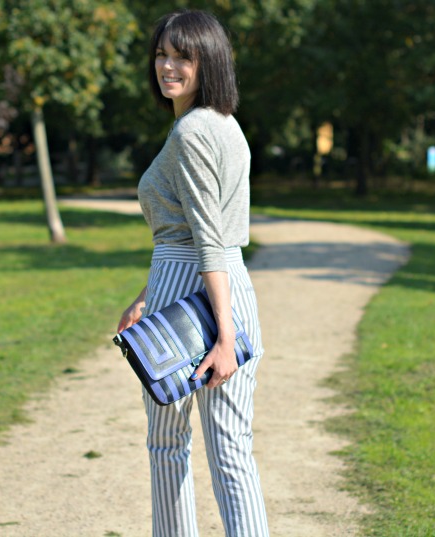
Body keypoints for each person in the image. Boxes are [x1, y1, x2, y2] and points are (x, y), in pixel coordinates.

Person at [116, 9, 269, 537]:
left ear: (210, 62)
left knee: (167, 444)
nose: (167, 65)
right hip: (222, 287)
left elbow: (207, 238)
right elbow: (204, 232)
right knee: (232, 451)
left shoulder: (192, 133)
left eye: (182, 56)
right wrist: (145, 294)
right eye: (162, 53)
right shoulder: (225, 124)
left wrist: (224, 337)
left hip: (198, 295)